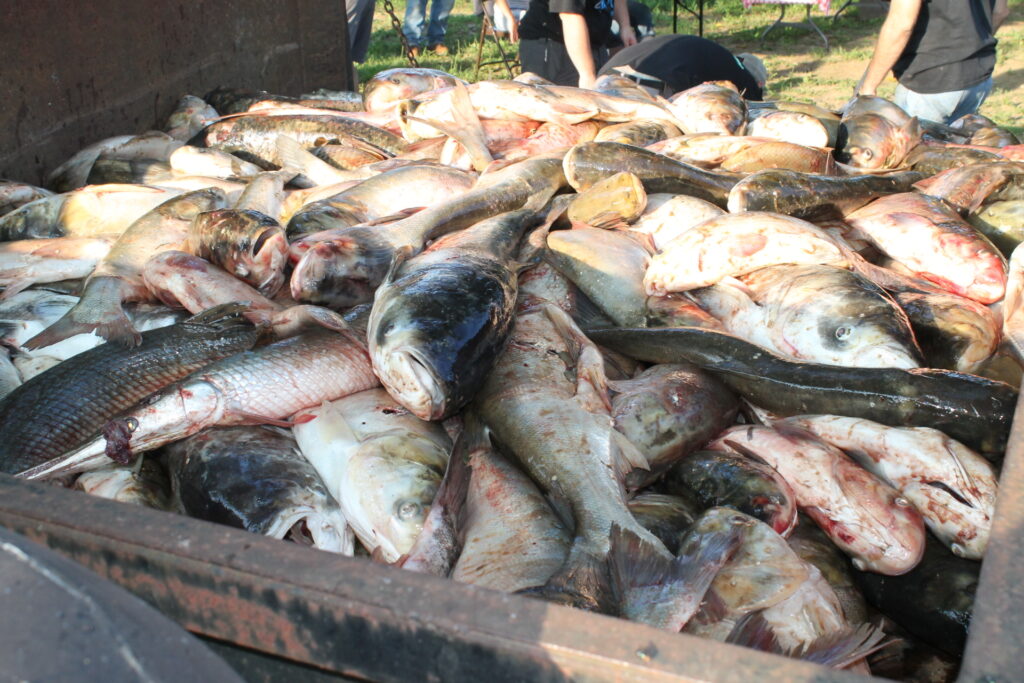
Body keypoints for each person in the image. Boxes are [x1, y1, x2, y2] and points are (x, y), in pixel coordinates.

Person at [855, 0, 1010, 124]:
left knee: (917, 152)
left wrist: (869, 86)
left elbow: (901, 24)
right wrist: (973, 46)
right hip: (978, 76)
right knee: (956, 150)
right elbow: (1000, 11)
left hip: (930, 82)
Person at [598, 34, 768, 100]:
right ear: (759, 83)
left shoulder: (718, 56)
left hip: (607, 74)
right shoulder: (746, 81)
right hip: (644, 86)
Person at [513, 0, 637, 88]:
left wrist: (625, 25)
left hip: (594, 41)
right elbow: (570, 16)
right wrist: (587, 75)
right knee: (564, 109)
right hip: (556, 45)